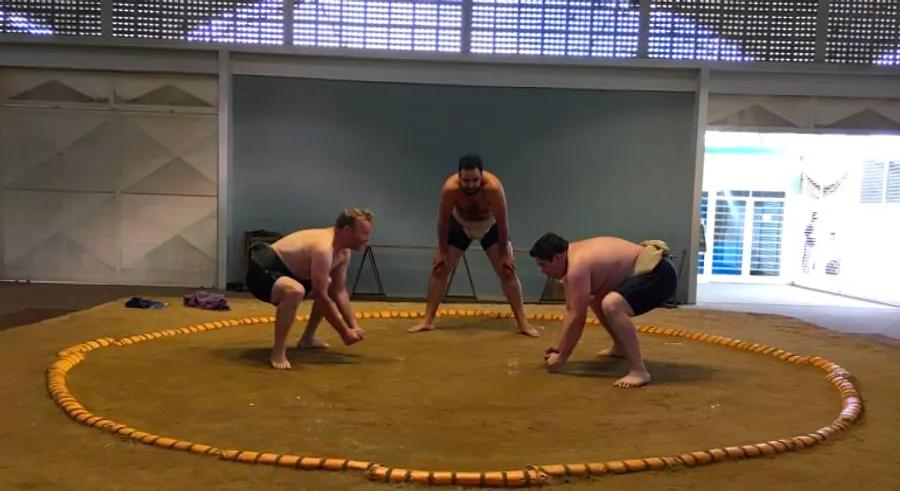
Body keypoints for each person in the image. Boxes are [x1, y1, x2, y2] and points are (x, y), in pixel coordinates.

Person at [408, 154, 540, 337]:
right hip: (460, 224)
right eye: (466, 180)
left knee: (507, 270)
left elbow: (502, 223)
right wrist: (442, 251)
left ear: (482, 175)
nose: (470, 185)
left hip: (490, 226)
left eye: (475, 180)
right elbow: (443, 221)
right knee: (439, 268)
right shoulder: (450, 189)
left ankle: (522, 322)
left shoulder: (494, 188)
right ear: (459, 176)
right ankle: (427, 320)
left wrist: (504, 254)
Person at [529, 233, 678, 388]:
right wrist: (560, 348)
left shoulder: (578, 265)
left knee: (612, 304)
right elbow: (571, 310)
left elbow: (577, 317)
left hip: (660, 274)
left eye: (543, 264)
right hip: (651, 271)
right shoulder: (572, 259)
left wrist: (561, 359)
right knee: (596, 299)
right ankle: (620, 346)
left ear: (558, 257)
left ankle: (639, 371)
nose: (542, 271)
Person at [246, 209, 373, 369]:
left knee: (326, 283)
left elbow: (338, 290)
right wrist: (343, 333)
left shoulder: (343, 253)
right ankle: (278, 351)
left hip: (290, 274)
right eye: (364, 233)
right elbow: (320, 297)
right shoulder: (323, 248)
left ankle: (308, 338)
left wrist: (353, 325)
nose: (367, 239)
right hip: (262, 271)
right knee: (295, 291)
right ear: (347, 231)